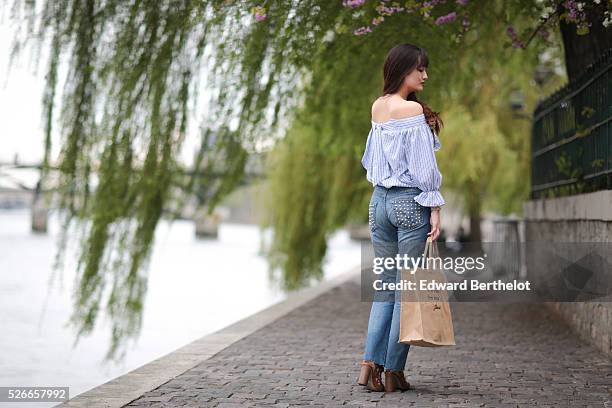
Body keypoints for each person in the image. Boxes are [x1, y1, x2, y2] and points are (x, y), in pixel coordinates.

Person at [357, 43, 445, 392]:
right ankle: (393, 371)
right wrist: (434, 207)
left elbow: (370, 161)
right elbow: (425, 170)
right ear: (403, 69)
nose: (424, 75)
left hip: (379, 202)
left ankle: (369, 366)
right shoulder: (409, 110)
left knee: (386, 288)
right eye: (419, 69)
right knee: (407, 292)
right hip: (410, 202)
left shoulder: (378, 107)